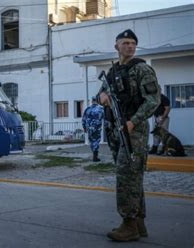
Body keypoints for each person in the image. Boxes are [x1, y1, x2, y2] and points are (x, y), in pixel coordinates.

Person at [98, 29, 160, 242]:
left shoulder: (142, 69)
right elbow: (99, 96)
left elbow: (153, 100)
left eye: (133, 43)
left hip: (134, 132)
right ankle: (138, 222)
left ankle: (128, 224)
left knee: (126, 176)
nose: (130, 46)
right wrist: (102, 97)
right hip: (116, 130)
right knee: (131, 177)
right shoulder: (113, 71)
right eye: (125, 42)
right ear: (117, 46)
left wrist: (133, 122)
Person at [82, 96, 104, 162]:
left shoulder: (87, 109)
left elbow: (83, 119)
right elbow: (105, 118)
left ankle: (94, 155)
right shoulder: (101, 109)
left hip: (90, 128)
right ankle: (95, 156)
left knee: (91, 141)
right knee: (96, 141)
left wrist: (84, 127)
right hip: (97, 128)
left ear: (92, 101)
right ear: (97, 100)